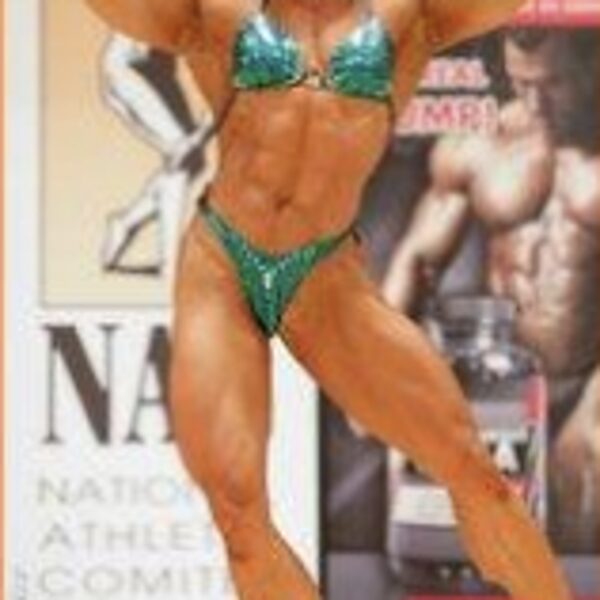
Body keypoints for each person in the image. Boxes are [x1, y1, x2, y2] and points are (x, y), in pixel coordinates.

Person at [85, 1, 572, 598]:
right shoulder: (218, 8)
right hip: (223, 267)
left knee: (475, 473)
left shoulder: (408, 13)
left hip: (324, 275)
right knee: (239, 516)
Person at [383, 27, 600, 552]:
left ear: (592, 68)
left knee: (579, 504)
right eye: (522, 83)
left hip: (589, 376)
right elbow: (418, 259)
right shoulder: (480, 145)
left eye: (553, 84)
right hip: (497, 374)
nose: (536, 101)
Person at [100, 33, 212, 280]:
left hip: (148, 69)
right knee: (181, 157)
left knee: (192, 161)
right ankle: (170, 264)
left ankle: (126, 223)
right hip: (128, 68)